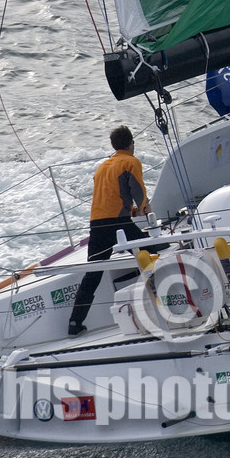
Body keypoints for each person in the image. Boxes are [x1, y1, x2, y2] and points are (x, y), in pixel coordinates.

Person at [66, 125, 150, 336]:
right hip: (119, 224)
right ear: (131, 144)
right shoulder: (131, 162)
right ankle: (165, 299)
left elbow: (112, 198)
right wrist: (143, 208)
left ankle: (74, 323)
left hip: (97, 225)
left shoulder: (102, 167)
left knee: (93, 274)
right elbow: (138, 191)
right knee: (153, 252)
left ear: (114, 145)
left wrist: (131, 211)